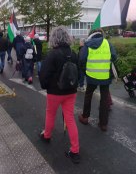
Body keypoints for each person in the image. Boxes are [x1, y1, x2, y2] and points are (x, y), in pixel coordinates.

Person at [39, 26, 80, 164]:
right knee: (70, 118)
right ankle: (75, 150)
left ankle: (47, 136)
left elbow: (44, 74)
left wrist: (45, 86)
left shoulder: (52, 54)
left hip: (55, 92)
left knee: (50, 114)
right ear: (67, 37)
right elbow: (78, 73)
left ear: (54, 38)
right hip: (71, 91)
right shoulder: (73, 53)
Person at [78, 28, 117, 131]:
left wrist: (85, 70)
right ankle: (103, 124)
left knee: (88, 96)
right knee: (104, 99)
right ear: (101, 34)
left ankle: (85, 117)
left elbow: (81, 59)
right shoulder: (107, 43)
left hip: (91, 76)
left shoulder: (87, 44)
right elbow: (114, 56)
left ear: (92, 35)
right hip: (105, 76)